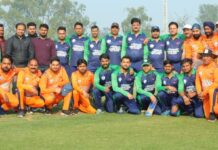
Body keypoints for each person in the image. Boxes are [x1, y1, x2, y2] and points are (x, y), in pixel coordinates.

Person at [196, 49, 218, 121]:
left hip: (215, 94)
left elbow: (216, 83)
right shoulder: (199, 68)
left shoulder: (215, 67)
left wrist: (204, 92)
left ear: (211, 57)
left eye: (208, 56)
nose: (205, 58)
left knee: (212, 91)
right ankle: (212, 113)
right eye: (204, 56)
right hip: (205, 95)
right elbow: (198, 81)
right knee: (207, 116)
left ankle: (213, 112)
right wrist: (199, 92)